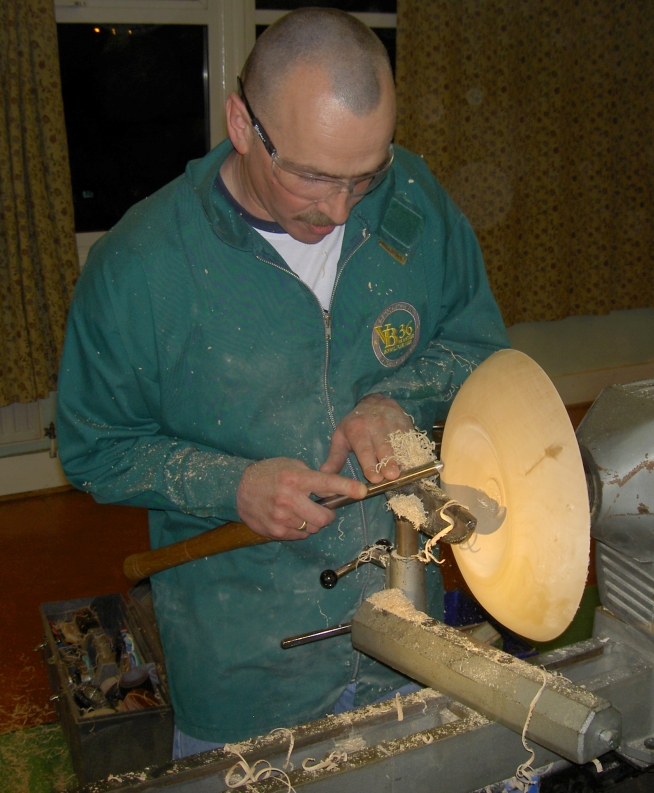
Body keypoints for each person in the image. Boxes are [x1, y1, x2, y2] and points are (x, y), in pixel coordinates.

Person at [57, 7, 509, 755]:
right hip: (245, 662)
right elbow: (94, 448)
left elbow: (478, 349)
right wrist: (230, 485)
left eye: (364, 176)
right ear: (241, 122)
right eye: (310, 176)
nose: (337, 211)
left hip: (407, 632)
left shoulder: (415, 201)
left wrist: (400, 399)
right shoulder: (139, 266)